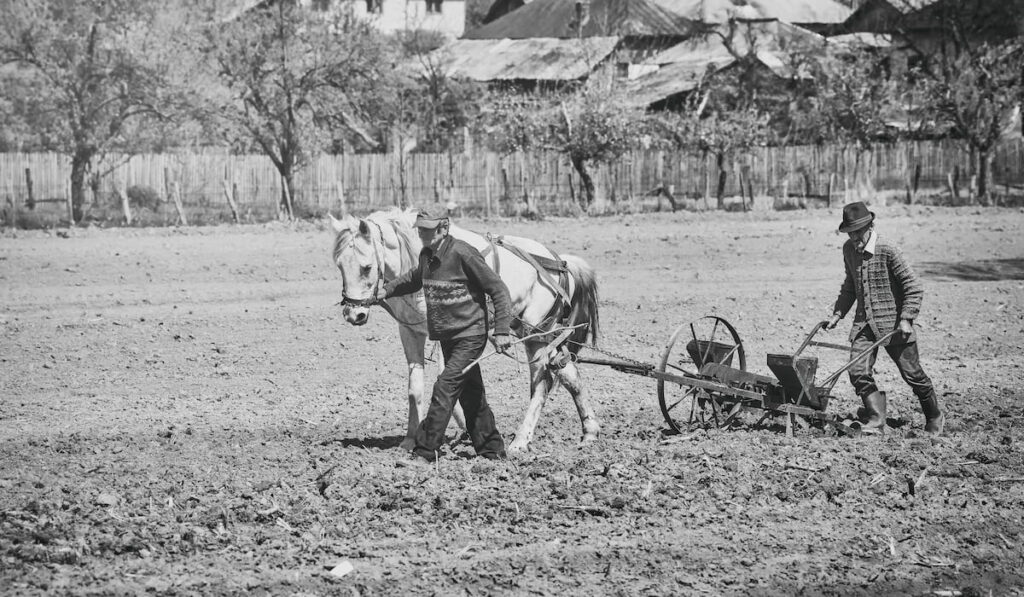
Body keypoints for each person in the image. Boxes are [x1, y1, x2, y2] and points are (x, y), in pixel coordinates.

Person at [379, 210, 515, 464]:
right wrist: (385, 291)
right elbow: (414, 279)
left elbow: (498, 289)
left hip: (471, 335)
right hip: (448, 338)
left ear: (444, 228)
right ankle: (492, 449)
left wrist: (503, 329)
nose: (422, 234)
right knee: (471, 394)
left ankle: (424, 451)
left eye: (427, 230)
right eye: (420, 229)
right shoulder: (427, 255)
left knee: (444, 386)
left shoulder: (463, 253)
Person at [823, 202, 944, 434]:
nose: (855, 237)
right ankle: (877, 419)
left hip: (895, 324)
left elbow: (913, 286)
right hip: (864, 323)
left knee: (913, 375)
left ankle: (934, 415)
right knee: (857, 370)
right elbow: (850, 285)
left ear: (870, 226)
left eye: (858, 231)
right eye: (850, 232)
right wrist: (838, 314)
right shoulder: (849, 250)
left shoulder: (887, 249)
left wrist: (907, 318)